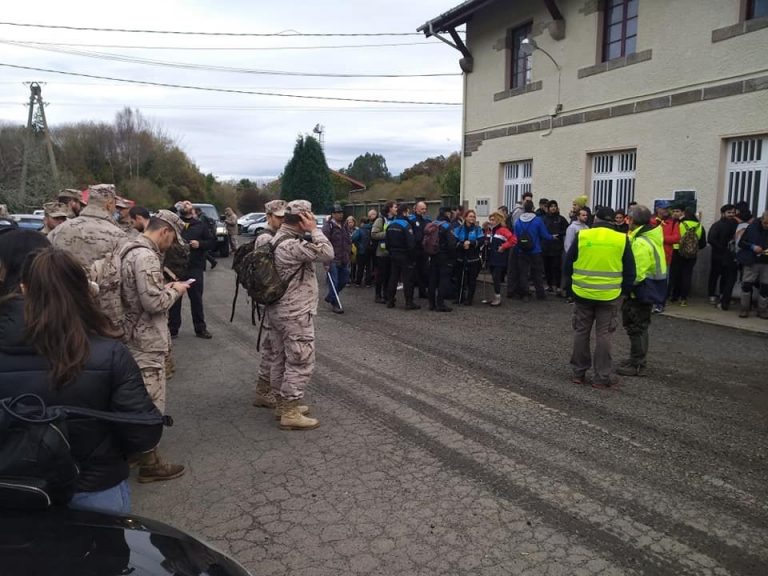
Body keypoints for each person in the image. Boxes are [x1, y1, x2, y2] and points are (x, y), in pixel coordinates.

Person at [0, 235, 163, 513]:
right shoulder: (110, 354)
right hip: (93, 488)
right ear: (83, 290)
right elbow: (142, 434)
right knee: (104, 555)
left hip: (14, 489)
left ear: (24, 288)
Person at [120, 210, 189, 482]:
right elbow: (154, 303)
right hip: (145, 338)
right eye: (171, 240)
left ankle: (135, 451)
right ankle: (150, 461)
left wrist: (163, 287)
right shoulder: (146, 255)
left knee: (134, 396)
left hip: (129, 334)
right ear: (165, 232)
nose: (170, 246)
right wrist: (176, 290)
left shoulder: (127, 246)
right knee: (150, 401)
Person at [266, 200, 334, 430]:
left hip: (277, 309)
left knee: (280, 357)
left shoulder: (277, 238)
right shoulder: (292, 245)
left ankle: (280, 403)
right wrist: (314, 229)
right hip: (294, 312)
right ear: (304, 217)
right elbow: (327, 253)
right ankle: (290, 411)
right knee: (300, 359)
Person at [563, 207, 636, 388]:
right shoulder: (622, 239)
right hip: (610, 296)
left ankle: (578, 373)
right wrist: (623, 293)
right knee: (604, 335)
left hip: (582, 293)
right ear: (613, 221)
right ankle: (601, 378)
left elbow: (567, 264)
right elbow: (630, 271)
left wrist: (571, 290)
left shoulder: (583, 236)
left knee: (581, 332)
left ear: (595, 220)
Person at [617, 205, 667, 377]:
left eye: (627, 219)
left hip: (640, 291)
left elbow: (636, 273)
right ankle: (635, 358)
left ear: (632, 220)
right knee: (638, 326)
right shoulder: (648, 237)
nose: (626, 222)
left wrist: (624, 289)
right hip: (648, 289)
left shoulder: (641, 243)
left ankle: (638, 364)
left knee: (636, 326)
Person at [252, 200, 287, 410]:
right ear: (269, 216)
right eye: (278, 217)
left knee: (270, 346)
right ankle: (268, 392)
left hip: (273, 299)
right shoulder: (266, 238)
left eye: (284, 217)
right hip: (272, 299)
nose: (282, 220)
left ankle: (264, 389)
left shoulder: (274, 236)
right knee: (274, 348)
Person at [49, 184, 127, 269]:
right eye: (115, 204)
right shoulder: (119, 235)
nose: (115, 208)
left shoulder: (59, 229)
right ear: (109, 203)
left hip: (61, 281)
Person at [168, 201, 216, 339]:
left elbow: (211, 242)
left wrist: (200, 244)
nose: (185, 205)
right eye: (183, 204)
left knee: (196, 300)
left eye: (188, 204)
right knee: (175, 300)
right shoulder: (174, 224)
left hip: (194, 267)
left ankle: (200, 329)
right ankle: (173, 329)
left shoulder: (200, 225)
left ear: (193, 209)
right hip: (176, 268)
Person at [513, 200, 553, 301]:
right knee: (537, 273)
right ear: (533, 208)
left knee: (523, 273)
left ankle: (525, 294)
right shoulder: (537, 220)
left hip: (522, 251)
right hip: (535, 250)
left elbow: (515, 237)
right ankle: (540, 294)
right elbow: (544, 235)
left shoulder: (518, 221)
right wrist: (553, 237)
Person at [385, 204, 420, 310]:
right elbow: (411, 243)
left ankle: (390, 300)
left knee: (393, 278)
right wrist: (413, 257)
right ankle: (409, 303)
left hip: (393, 254)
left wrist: (391, 252)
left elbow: (387, 242)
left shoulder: (391, 224)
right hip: (405, 255)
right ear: (404, 212)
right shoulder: (406, 225)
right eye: (408, 212)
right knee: (407, 279)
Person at [669, 206, 705, 307]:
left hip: (678, 252)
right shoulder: (699, 226)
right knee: (687, 275)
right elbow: (703, 243)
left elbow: (675, 237)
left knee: (676, 275)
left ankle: (674, 296)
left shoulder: (679, 224)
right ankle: (684, 298)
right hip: (692, 254)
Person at [736, 210, 768, 318]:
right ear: (761, 220)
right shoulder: (751, 228)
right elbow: (741, 243)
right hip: (751, 261)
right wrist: (753, 247)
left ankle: (762, 310)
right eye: (765, 223)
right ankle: (744, 309)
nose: (767, 226)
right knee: (747, 285)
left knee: (765, 287)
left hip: (766, 262)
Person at [707, 204, 738, 309]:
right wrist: (721, 248)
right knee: (714, 275)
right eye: (729, 212)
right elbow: (711, 239)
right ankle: (711, 295)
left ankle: (723, 295)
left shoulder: (735, 224)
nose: (731, 215)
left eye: (733, 212)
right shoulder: (717, 225)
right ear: (723, 213)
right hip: (718, 255)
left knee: (726, 277)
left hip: (730, 256)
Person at [322, 204, 351, 314]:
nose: (340, 214)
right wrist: (326, 261)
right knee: (334, 282)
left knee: (344, 280)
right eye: (338, 212)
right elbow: (324, 244)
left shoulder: (344, 226)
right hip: (332, 259)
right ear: (333, 214)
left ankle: (330, 296)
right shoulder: (328, 227)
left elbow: (348, 240)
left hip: (344, 258)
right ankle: (335, 303)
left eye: (341, 212)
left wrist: (348, 254)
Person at [484, 211, 516, 306]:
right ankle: (495, 296)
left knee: (496, 278)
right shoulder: (491, 230)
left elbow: (513, 240)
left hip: (499, 258)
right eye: (490, 219)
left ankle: (498, 297)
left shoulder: (503, 230)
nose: (491, 221)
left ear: (498, 220)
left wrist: (503, 246)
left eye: (493, 219)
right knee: (494, 278)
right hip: (491, 257)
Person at [428, 207, 457, 312]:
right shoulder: (448, 226)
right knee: (443, 280)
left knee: (432, 280)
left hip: (433, 255)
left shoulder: (433, 223)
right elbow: (452, 244)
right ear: (447, 213)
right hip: (445, 256)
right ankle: (440, 303)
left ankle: (431, 303)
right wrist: (453, 257)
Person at [453, 209, 484, 305]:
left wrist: (471, 243)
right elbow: (454, 241)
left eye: (474, 217)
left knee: (472, 279)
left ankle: (469, 299)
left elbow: (481, 241)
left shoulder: (478, 229)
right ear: (465, 217)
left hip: (473, 258)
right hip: (461, 257)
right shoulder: (459, 229)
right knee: (459, 278)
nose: (472, 218)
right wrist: (462, 245)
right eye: (470, 216)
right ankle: (459, 297)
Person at [371, 201, 397, 304]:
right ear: (389, 208)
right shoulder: (380, 220)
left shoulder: (395, 220)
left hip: (391, 252)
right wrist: (388, 234)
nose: (397, 209)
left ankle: (387, 295)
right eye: (395, 207)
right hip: (381, 252)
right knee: (381, 275)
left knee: (389, 275)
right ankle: (378, 295)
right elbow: (374, 234)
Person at [542, 200, 569, 294]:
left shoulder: (561, 219)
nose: (553, 208)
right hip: (546, 247)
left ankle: (557, 286)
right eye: (551, 206)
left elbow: (567, 229)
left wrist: (558, 234)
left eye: (555, 206)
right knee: (547, 267)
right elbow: (541, 231)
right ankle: (549, 285)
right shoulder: (544, 219)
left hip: (557, 247)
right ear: (548, 208)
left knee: (556, 267)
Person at [408, 201, 431, 298]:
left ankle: (422, 291)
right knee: (413, 272)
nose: (424, 211)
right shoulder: (411, 220)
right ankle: (410, 293)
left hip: (424, 250)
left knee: (423, 271)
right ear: (416, 209)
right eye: (422, 209)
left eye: (425, 209)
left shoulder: (426, 220)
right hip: (414, 249)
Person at [351, 210, 376, 287]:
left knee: (360, 267)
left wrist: (357, 244)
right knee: (369, 267)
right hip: (370, 250)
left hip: (361, 251)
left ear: (362, 222)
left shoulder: (360, 230)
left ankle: (358, 282)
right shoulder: (372, 229)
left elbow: (353, 238)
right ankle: (368, 282)